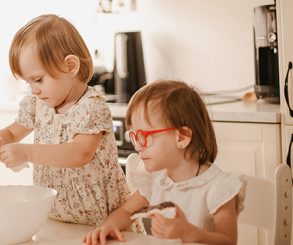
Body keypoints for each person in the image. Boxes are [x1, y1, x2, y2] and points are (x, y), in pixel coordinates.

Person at [0, 14, 145, 231]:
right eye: (28, 82)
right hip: (55, 219)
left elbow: (80, 153)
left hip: (103, 225)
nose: (34, 90)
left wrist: (27, 153)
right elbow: (12, 134)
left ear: (70, 66)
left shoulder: (91, 107)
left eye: (39, 80)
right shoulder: (37, 105)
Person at [83, 79, 247, 245]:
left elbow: (228, 241)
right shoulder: (156, 178)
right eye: (134, 136)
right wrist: (108, 226)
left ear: (182, 137)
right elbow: (126, 212)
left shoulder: (219, 188)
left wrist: (187, 232)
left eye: (144, 136)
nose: (138, 147)